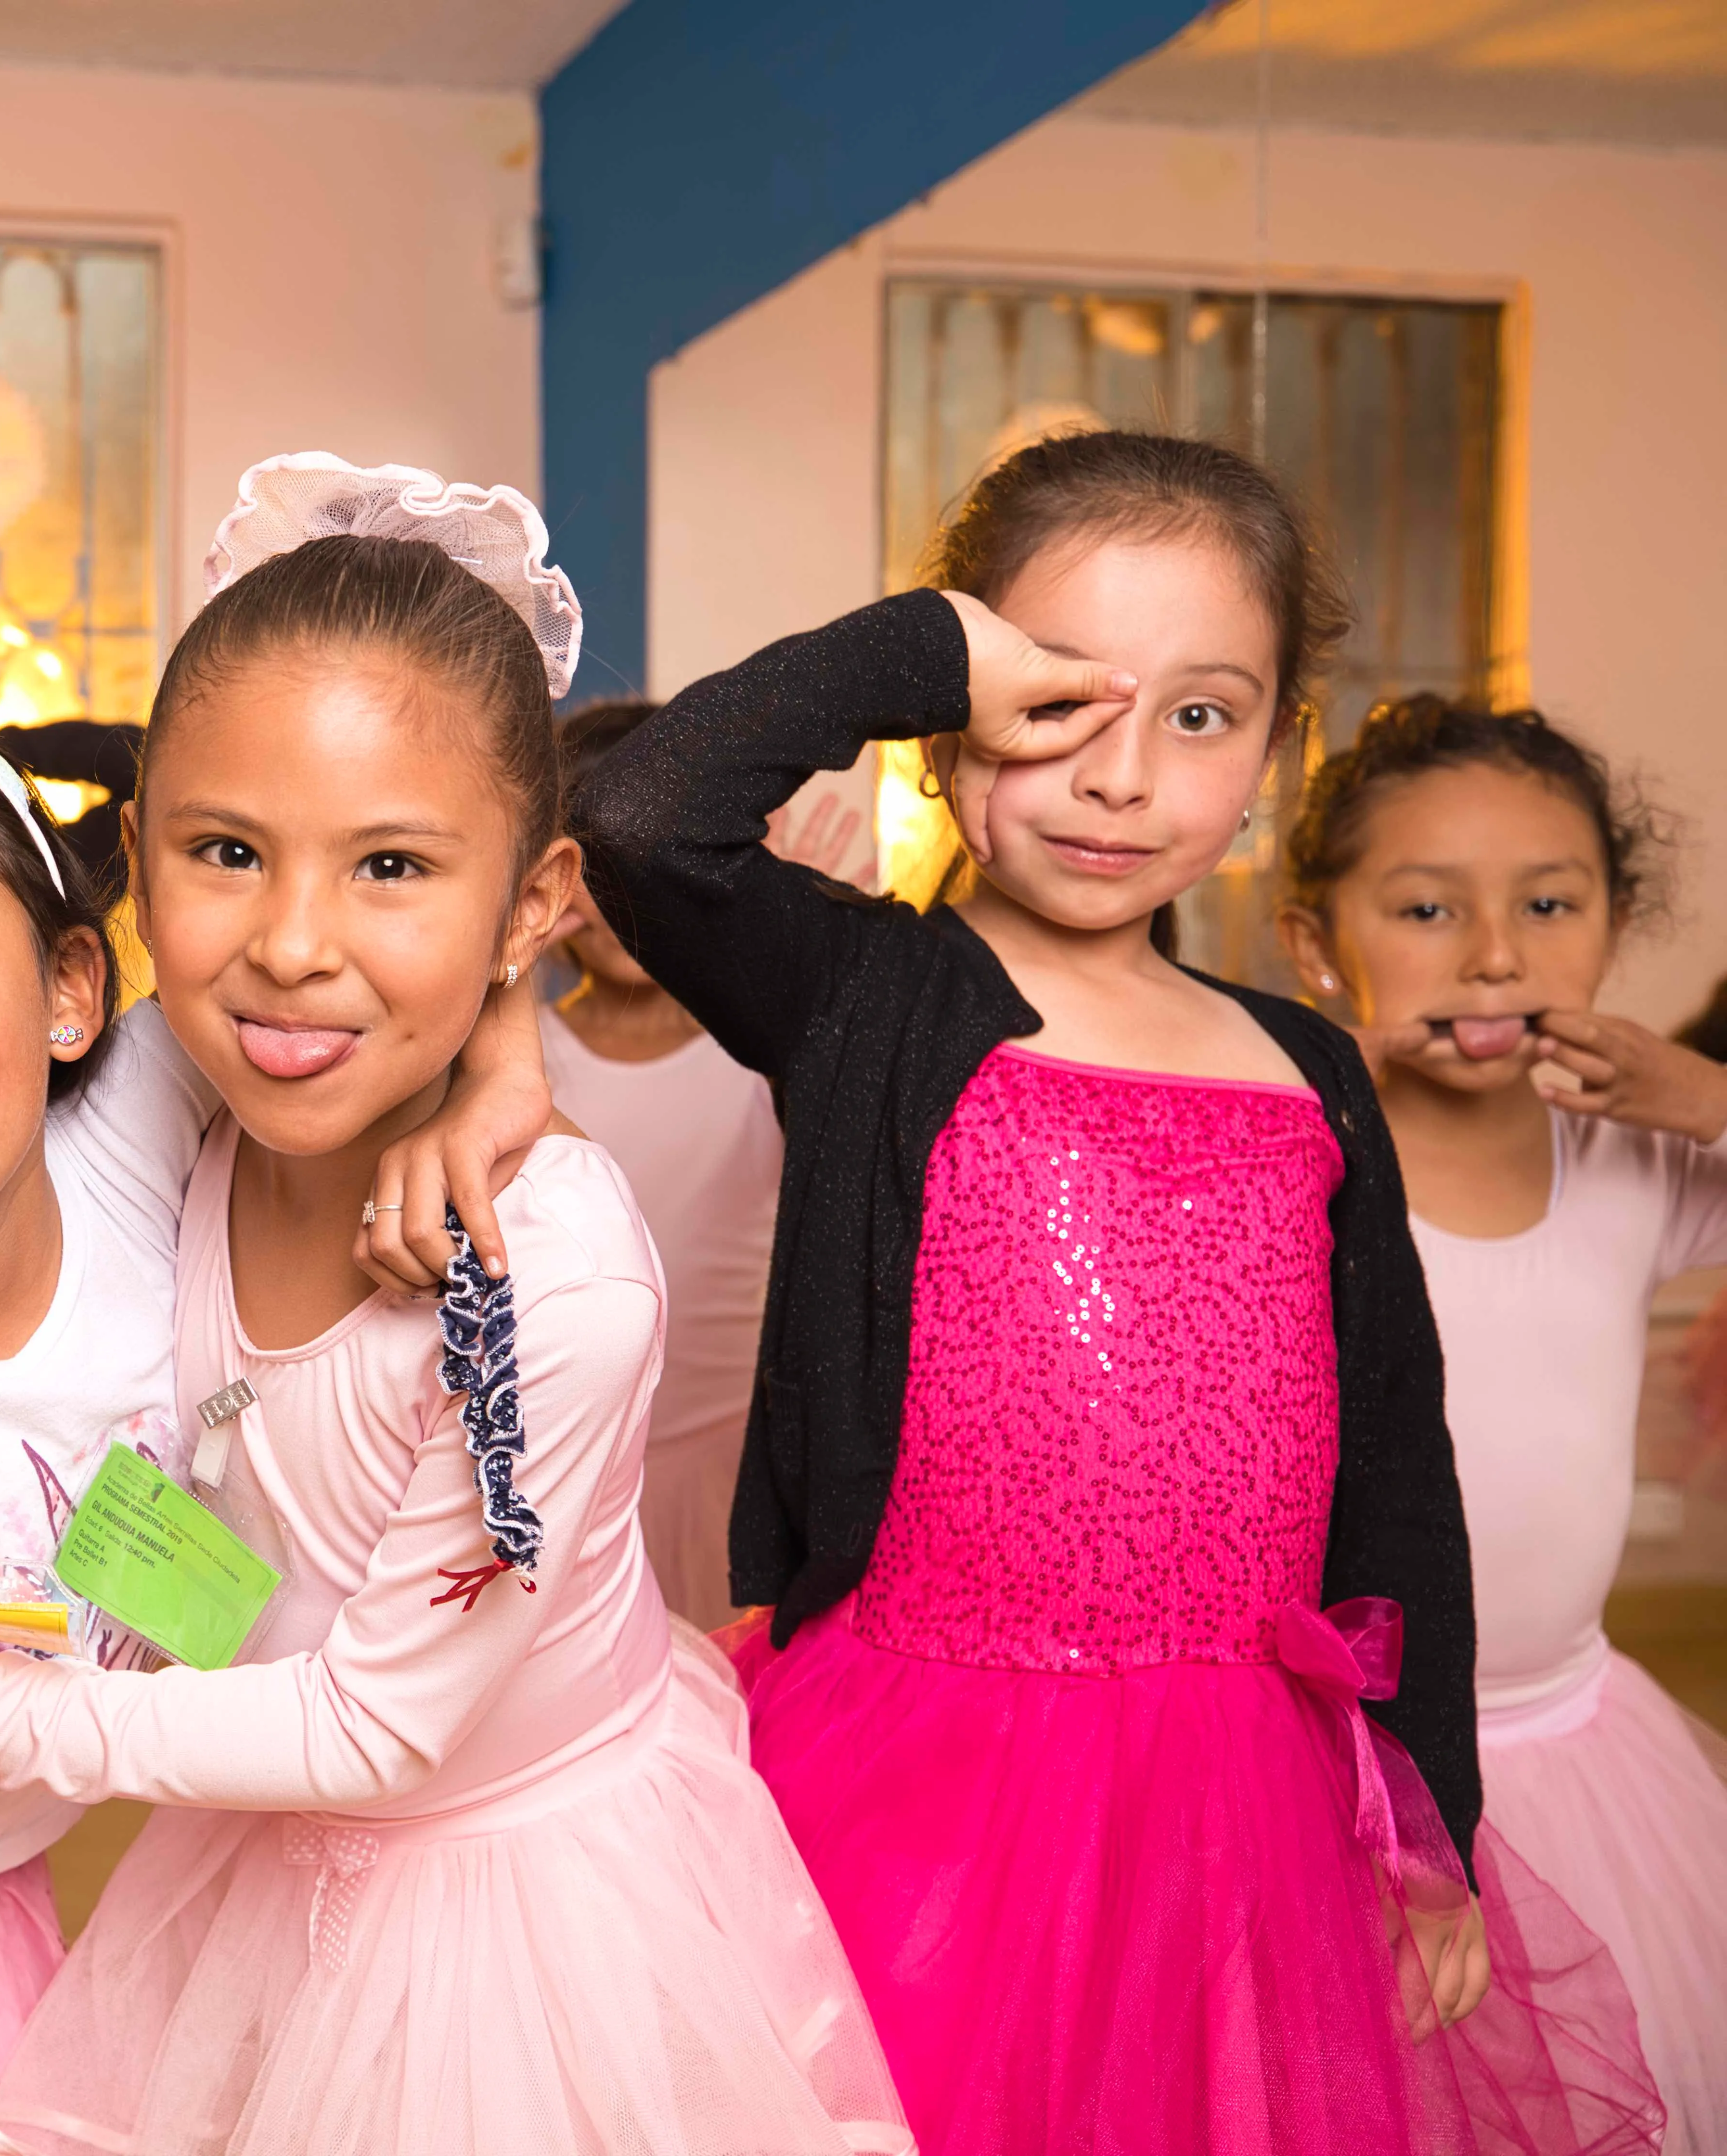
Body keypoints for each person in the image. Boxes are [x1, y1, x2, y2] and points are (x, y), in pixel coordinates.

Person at [0, 454, 909, 2156]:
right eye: (228, 851)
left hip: (511, 1928)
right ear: (133, 866)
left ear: (530, 907)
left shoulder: (538, 1280)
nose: (294, 944)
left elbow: (376, 1725)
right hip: (267, 1862)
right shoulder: (178, 1089)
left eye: (390, 868)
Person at [569, 427, 1661, 2152]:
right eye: (1057, 703)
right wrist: (918, 650)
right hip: (918, 1755)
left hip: (1243, 1794)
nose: (1119, 776)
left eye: (1199, 716)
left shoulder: (1307, 1067)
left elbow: (1393, 1464)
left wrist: (1431, 1817)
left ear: (1279, 754)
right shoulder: (871, 998)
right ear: (958, 720)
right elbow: (641, 816)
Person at [1279, 694, 1727, 2151]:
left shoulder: (1630, 1157)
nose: (1494, 955)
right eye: (1425, 907)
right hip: (1352, 1783)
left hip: (1585, 1752)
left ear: (1612, 925)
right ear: (1314, 944)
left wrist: (1709, 1098)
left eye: (1550, 903)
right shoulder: (1289, 1164)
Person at [534, 700, 783, 1628]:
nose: (628, 896)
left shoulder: (768, 1058)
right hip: (561, 1474)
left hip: (723, 1483)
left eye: (654, 855)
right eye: (597, 867)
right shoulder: (516, 1062)